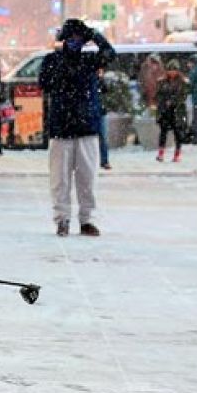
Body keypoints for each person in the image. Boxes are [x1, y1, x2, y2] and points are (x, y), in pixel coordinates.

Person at [40, 19, 116, 237]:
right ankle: (62, 219)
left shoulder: (89, 60)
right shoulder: (52, 61)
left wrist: (95, 35)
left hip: (86, 127)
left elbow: (110, 54)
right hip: (62, 127)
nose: (75, 42)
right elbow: (44, 82)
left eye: (80, 39)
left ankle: (87, 219)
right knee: (59, 179)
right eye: (71, 38)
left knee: (88, 178)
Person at [154, 61, 190, 163]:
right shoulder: (162, 81)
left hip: (177, 111)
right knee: (163, 132)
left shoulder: (183, 82)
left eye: (174, 70)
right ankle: (160, 154)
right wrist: (163, 101)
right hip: (165, 110)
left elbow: (183, 96)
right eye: (170, 70)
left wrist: (173, 101)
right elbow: (158, 95)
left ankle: (177, 154)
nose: (172, 72)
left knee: (178, 133)